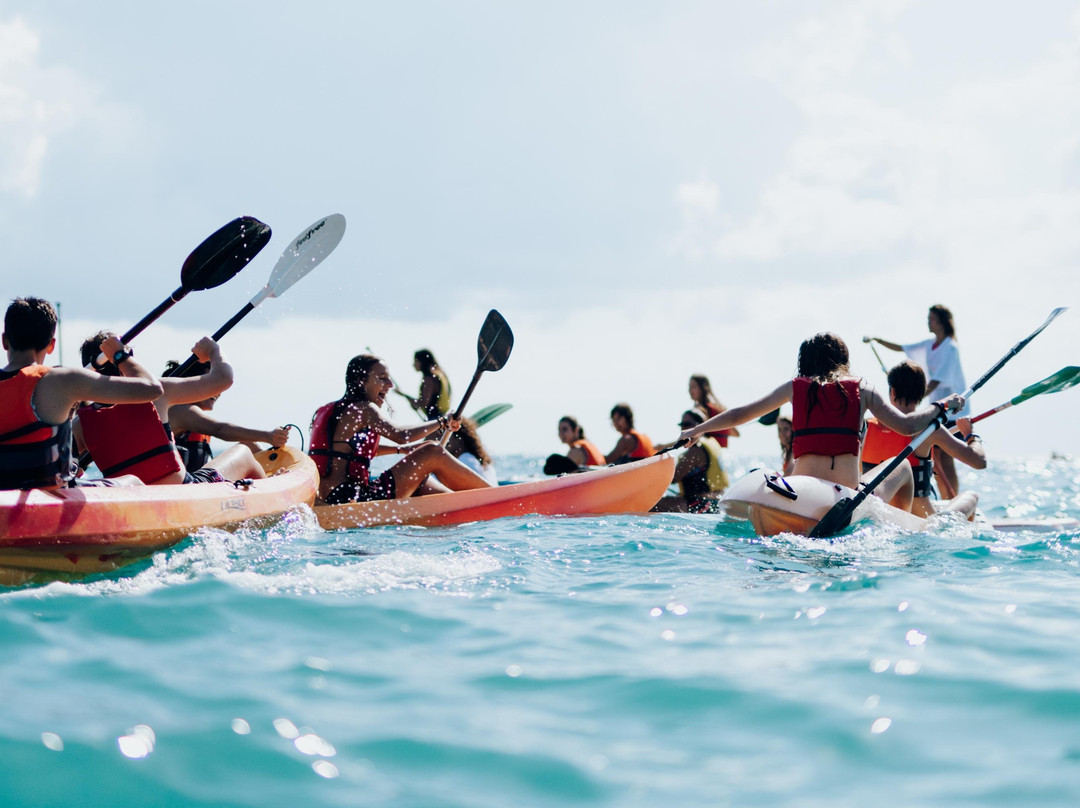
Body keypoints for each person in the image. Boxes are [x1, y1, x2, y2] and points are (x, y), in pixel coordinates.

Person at [678, 332, 965, 514]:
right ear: (843, 360)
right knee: (900, 465)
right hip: (846, 493)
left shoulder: (795, 387)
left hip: (801, 488)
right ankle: (898, 521)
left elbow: (741, 413)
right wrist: (941, 405)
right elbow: (906, 425)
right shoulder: (863, 388)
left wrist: (698, 429)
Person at [1, 298, 162, 490]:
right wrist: (120, 355)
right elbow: (152, 388)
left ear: (4, 340)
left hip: (5, 495)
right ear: (51, 345)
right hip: (53, 495)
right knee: (132, 480)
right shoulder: (64, 379)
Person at [76, 331, 268, 485]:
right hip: (181, 492)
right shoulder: (158, 392)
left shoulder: (80, 423)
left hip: (130, 500)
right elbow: (224, 379)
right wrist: (213, 350)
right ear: (124, 362)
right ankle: (274, 495)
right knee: (244, 452)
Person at [310, 354, 493, 505]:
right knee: (432, 452)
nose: (389, 385)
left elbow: (346, 453)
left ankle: (462, 507)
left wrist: (401, 451)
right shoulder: (364, 408)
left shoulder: (328, 410)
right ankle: (494, 498)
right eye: (382, 378)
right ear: (361, 381)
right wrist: (442, 422)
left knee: (422, 481)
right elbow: (401, 435)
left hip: (332, 498)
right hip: (352, 498)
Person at [864, 304, 968, 493]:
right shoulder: (930, 344)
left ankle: (952, 498)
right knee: (934, 457)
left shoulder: (950, 348)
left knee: (945, 456)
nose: (928, 322)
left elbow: (936, 382)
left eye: (932, 319)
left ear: (943, 323)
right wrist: (877, 341)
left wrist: (913, 395)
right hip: (936, 408)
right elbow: (903, 348)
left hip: (953, 410)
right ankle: (944, 497)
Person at [862, 361, 985, 518]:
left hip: (880, 516)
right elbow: (979, 461)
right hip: (921, 520)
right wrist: (971, 436)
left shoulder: (866, 427)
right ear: (922, 394)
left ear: (892, 392)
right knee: (971, 496)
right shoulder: (930, 431)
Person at [164, 359, 291, 472]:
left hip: (194, 481)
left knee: (250, 445)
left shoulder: (193, 415)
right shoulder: (179, 410)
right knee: (244, 450)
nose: (217, 391)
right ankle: (270, 482)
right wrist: (268, 436)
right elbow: (219, 429)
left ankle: (272, 476)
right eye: (210, 384)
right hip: (179, 488)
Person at [653, 409, 729, 513]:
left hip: (700, 504)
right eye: (682, 425)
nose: (683, 428)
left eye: (687, 425)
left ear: (699, 426)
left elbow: (673, 477)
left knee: (652, 505)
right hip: (715, 503)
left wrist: (648, 475)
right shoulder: (712, 443)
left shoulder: (695, 451)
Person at [394, 348, 452, 420]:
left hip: (434, 419)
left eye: (416, 361)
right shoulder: (440, 374)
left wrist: (403, 395)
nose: (413, 364)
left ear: (422, 362)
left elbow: (423, 403)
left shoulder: (429, 378)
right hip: (443, 417)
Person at [688, 374, 739, 448]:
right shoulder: (719, 408)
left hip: (709, 453)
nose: (690, 390)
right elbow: (736, 433)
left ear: (702, 388)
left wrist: (666, 446)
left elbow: (691, 436)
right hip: (721, 454)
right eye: (689, 387)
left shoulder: (700, 410)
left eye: (693, 387)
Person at [445, 417, 498, 484]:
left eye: (447, 435)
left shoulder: (465, 459)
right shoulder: (477, 459)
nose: (441, 439)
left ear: (459, 439)